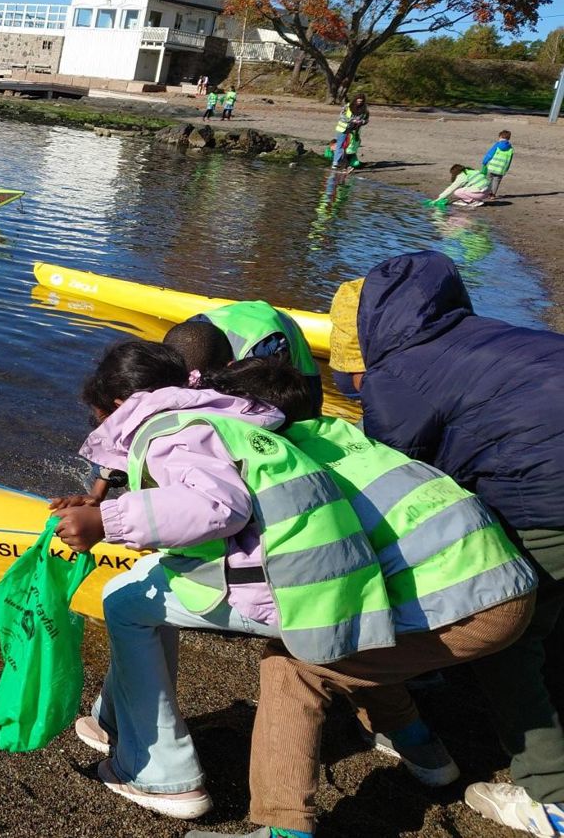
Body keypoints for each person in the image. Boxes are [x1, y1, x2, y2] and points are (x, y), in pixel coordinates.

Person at [180, 357, 537, 838]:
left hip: (469, 602)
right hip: (504, 580)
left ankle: (283, 828)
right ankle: (424, 752)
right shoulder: (339, 434)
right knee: (357, 638)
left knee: (294, 664)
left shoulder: (286, 472)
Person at [51, 340, 397, 821]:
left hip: (291, 589)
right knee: (139, 583)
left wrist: (108, 521)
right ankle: (113, 717)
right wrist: (104, 506)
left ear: (114, 406)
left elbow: (220, 506)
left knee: (125, 605)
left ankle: (162, 775)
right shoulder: (218, 411)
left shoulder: (168, 431)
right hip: (320, 572)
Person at [345, 251, 564, 834]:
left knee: (512, 638)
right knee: (551, 611)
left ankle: (548, 793)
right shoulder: (503, 334)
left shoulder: (398, 372)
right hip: (551, 471)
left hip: (550, 496)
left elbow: (395, 487)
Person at [167, 300, 323, 418]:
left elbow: (273, 409)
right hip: (240, 320)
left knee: (298, 418)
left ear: (227, 365)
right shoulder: (187, 334)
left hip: (274, 340)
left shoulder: (263, 351)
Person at [427, 163, 493, 208]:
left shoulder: (462, 176)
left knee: (457, 192)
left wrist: (438, 199)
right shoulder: (471, 171)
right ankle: (473, 200)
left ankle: (474, 201)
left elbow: (451, 188)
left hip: (481, 193)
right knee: (465, 188)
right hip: (487, 192)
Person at [333, 94, 369, 170]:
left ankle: (345, 164)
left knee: (349, 148)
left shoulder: (365, 110)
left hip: (354, 131)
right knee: (340, 145)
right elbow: (341, 116)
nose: (359, 102)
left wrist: (361, 121)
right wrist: (352, 120)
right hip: (343, 129)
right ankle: (336, 163)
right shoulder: (347, 106)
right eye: (358, 101)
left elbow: (366, 120)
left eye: (361, 101)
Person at [481, 129, 514, 198]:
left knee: (489, 180)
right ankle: (492, 195)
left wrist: (484, 161)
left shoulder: (497, 145)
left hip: (492, 167)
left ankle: (488, 193)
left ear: (500, 137)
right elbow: (509, 160)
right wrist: (506, 169)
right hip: (501, 168)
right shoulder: (511, 149)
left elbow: (490, 154)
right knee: (496, 181)